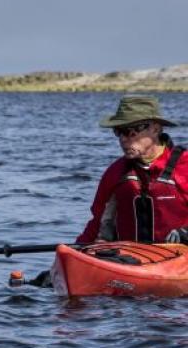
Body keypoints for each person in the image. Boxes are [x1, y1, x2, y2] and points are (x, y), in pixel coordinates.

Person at [76, 94, 188, 245]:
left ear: (155, 130)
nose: (123, 139)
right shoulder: (115, 172)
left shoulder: (184, 165)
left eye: (131, 132)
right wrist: (72, 255)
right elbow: (97, 223)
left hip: (179, 260)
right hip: (129, 260)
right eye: (119, 132)